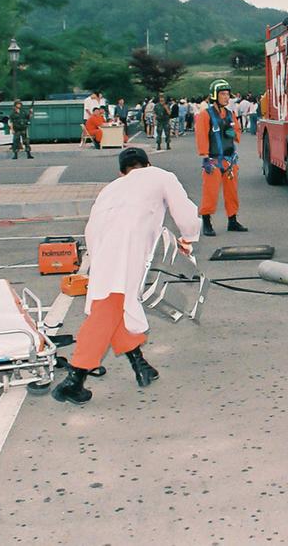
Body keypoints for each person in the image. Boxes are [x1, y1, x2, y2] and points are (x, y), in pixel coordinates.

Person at [52, 147, 201, 405]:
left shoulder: (111, 188)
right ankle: (74, 379)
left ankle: (141, 366)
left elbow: (93, 225)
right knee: (107, 312)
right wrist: (188, 238)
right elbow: (185, 211)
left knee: (116, 308)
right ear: (148, 163)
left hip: (103, 253)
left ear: (122, 171)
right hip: (126, 253)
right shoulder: (161, 175)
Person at [195, 79, 247, 236]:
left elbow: (237, 133)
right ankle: (206, 222)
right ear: (214, 96)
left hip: (229, 160)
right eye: (223, 94)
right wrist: (205, 157)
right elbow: (201, 136)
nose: (226, 97)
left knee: (232, 193)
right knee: (210, 192)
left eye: (227, 94)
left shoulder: (230, 115)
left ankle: (232, 220)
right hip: (213, 160)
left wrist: (234, 133)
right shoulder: (205, 115)